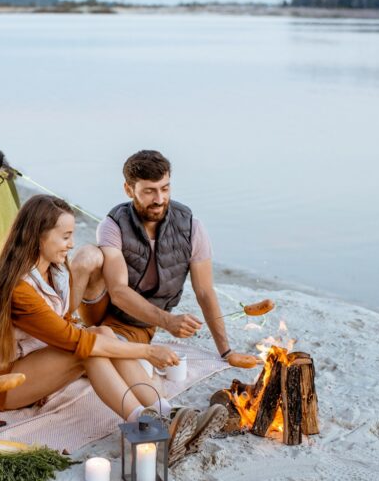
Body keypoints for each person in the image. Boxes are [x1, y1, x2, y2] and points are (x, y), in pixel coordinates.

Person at [0, 194, 201, 464]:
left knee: (103, 333)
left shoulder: (53, 271)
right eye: (65, 236)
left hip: (33, 367)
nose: (72, 244)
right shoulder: (20, 288)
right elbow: (73, 340)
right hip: (4, 387)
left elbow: (64, 323)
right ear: (39, 236)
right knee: (87, 347)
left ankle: (166, 412)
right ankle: (144, 426)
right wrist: (147, 351)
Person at [69, 150, 253, 448]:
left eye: (165, 189)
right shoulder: (112, 225)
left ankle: (167, 414)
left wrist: (226, 350)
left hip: (137, 324)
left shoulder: (191, 226)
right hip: (101, 307)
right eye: (149, 191)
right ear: (129, 190)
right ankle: (67, 322)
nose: (159, 199)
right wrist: (168, 321)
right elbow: (117, 290)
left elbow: (205, 291)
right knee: (87, 256)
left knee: (103, 342)